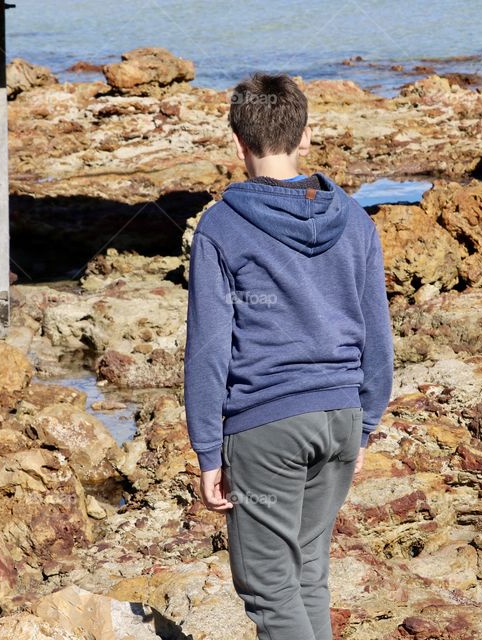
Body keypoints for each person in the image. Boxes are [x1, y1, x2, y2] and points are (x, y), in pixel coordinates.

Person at [182, 72, 395, 640]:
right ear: (305, 137)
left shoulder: (222, 227)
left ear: (238, 144)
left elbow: (207, 349)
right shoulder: (354, 219)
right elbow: (378, 334)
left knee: (269, 585)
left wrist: (207, 450)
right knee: (306, 572)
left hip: (267, 424)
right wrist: (365, 419)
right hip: (342, 417)